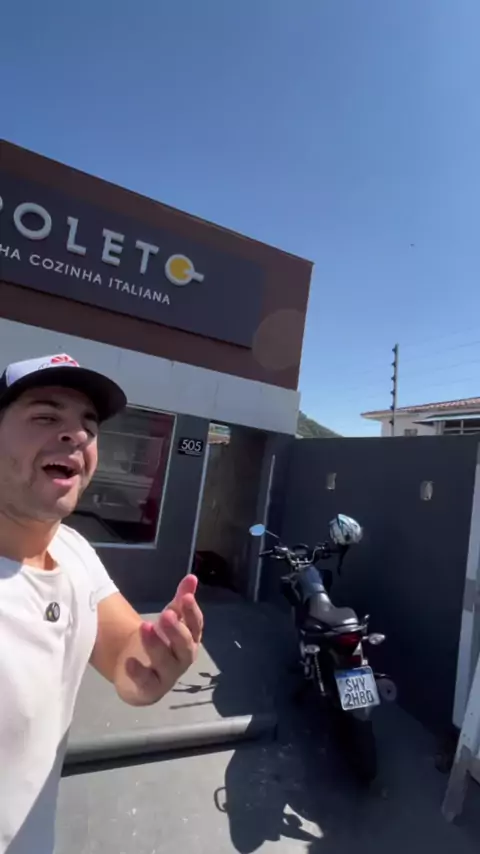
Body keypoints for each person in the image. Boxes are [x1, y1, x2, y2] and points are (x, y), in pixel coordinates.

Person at [0, 353, 204, 854]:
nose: (76, 435)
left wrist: (158, 661)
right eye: (45, 416)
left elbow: (127, 663)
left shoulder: (74, 551)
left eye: (88, 426)